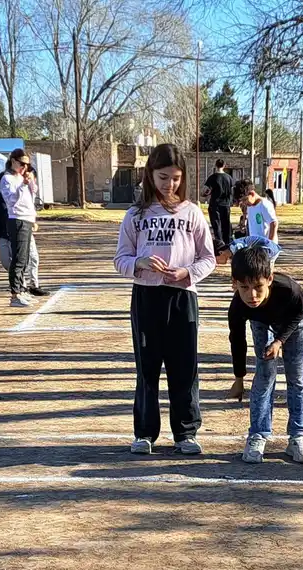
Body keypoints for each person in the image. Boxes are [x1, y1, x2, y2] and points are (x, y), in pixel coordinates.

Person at [113, 142, 217, 456]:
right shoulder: (136, 214)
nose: (168, 184)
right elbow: (120, 259)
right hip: (146, 297)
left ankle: (185, 433)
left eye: (174, 178)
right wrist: (139, 264)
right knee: (147, 367)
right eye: (162, 177)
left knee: (184, 367)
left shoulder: (192, 212)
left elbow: (208, 258)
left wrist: (187, 273)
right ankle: (145, 432)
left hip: (182, 298)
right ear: (150, 175)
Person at [228, 244, 303, 465]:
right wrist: (238, 379)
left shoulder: (290, 290)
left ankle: (297, 437)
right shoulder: (239, 305)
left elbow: (298, 313)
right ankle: (257, 434)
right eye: (244, 287)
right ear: (234, 284)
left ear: (270, 279)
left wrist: (279, 341)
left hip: (294, 321)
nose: (252, 295)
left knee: (296, 374)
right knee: (264, 374)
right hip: (261, 321)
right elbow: (237, 341)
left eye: (258, 286)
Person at [0, 188, 49, 297]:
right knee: (9, 262)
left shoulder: (22, 194)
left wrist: (33, 222)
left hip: (24, 231)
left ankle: (33, 285)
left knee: (32, 258)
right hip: (6, 234)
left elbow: (29, 210)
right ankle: (21, 284)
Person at [1, 147, 38, 307]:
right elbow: (11, 200)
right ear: (13, 161)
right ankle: (15, 294)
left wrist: (30, 182)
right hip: (17, 219)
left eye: (27, 165)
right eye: (22, 164)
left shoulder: (22, 177)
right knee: (18, 257)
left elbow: (33, 195)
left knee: (25, 258)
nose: (24, 168)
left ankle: (22, 290)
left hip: (27, 219)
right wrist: (22, 185)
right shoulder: (7, 178)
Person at [235, 178, 278, 245]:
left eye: (244, 200)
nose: (244, 203)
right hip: (255, 245)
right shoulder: (250, 206)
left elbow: (274, 223)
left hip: (266, 246)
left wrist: (270, 244)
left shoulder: (264, 204)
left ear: (252, 194)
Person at [204, 160, 234, 249]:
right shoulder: (229, 178)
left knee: (216, 225)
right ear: (224, 165)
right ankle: (228, 244)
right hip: (226, 204)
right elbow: (231, 190)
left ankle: (219, 245)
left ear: (215, 165)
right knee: (226, 224)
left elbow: (206, 190)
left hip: (215, 204)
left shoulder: (213, 177)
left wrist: (206, 194)